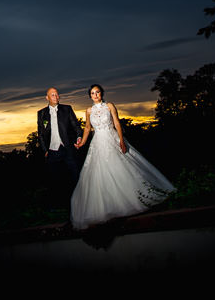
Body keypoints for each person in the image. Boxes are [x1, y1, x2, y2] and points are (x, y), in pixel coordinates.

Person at [70, 84, 175, 229]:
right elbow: (87, 128)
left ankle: (138, 199)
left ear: (101, 93)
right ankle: (109, 207)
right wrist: (82, 144)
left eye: (98, 92)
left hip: (111, 138)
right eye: (93, 93)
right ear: (90, 96)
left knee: (122, 167)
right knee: (99, 173)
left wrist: (121, 140)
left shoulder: (110, 106)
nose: (95, 95)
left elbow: (117, 123)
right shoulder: (88, 111)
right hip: (97, 143)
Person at [37, 87, 84, 203]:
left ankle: (80, 202)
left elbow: (76, 126)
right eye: (53, 95)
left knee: (75, 176)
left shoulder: (67, 109)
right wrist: (45, 150)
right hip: (52, 151)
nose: (56, 97)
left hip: (68, 148)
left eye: (57, 94)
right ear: (47, 98)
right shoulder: (41, 113)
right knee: (56, 179)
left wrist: (79, 137)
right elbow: (41, 134)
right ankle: (61, 204)